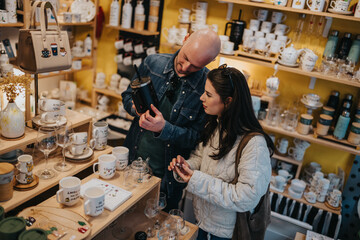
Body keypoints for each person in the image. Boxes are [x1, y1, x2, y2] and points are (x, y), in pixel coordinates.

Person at [168, 64, 275, 240]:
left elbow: (246, 197)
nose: (202, 98)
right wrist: (186, 167)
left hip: (226, 233)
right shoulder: (215, 124)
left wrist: (195, 179)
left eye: (209, 95)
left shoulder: (254, 144)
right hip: (203, 222)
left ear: (229, 101)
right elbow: (200, 157)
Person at [121, 29, 221, 211]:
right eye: (185, 58)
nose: (185, 67)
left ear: (210, 62)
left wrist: (163, 128)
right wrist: (136, 109)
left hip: (167, 180)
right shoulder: (153, 63)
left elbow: (197, 139)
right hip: (131, 164)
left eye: (195, 67)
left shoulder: (206, 87)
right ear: (185, 38)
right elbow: (127, 96)